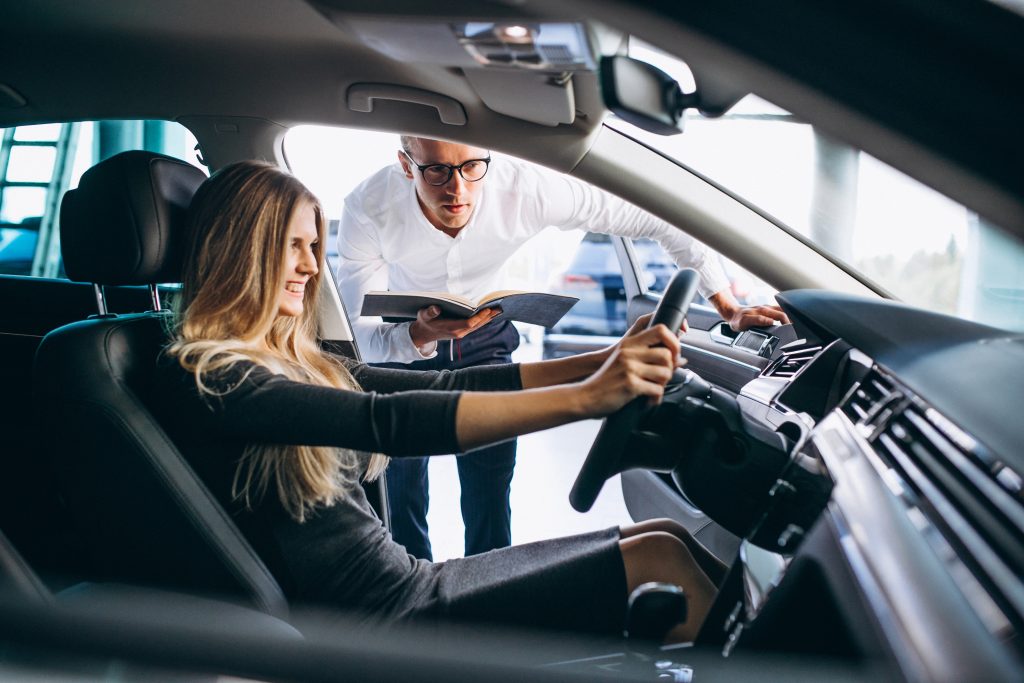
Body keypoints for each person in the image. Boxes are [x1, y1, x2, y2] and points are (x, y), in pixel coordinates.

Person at [154, 160, 726, 642]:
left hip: (407, 585)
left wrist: (599, 364)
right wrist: (589, 397)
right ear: (242, 251)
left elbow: (449, 386)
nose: (309, 265)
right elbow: (390, 423)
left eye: (313, 246)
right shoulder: (215, 376)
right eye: (292, 247)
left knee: (663, 540)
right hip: (383, 622)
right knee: (660, 565)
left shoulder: (294, 360)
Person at [336, 136, 789, 560]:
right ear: (405, 164)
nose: (457, 187)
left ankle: (485, 596)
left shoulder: (527, 189)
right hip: (406, 338)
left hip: (488, 332)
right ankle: (414, 608)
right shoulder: (367, 206)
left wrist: (726, 305)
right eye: (436, 171)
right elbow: (364, 337)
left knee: (491, 487)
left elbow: (656, 216)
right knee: (401, 489)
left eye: (472, 166)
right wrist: (419, 336)